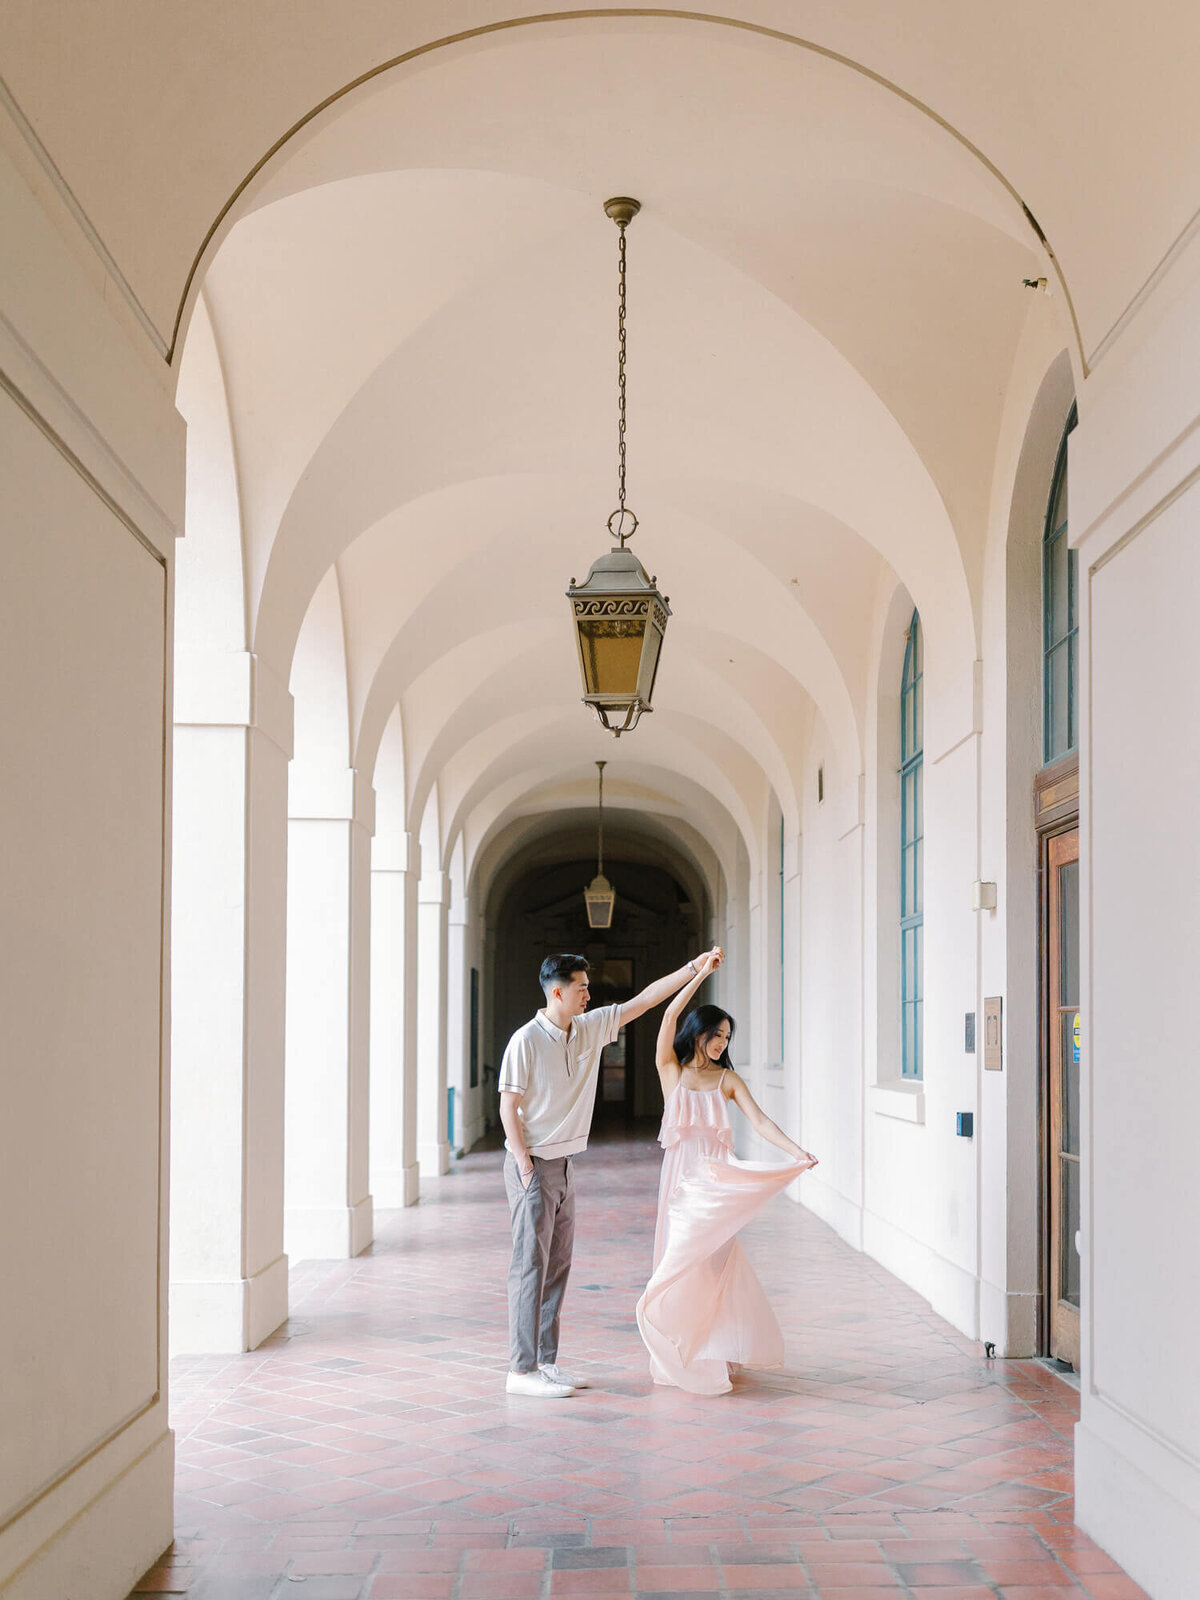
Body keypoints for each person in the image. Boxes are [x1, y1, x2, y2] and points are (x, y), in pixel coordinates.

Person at [499, 947, 723, 1398]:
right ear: (557, 992)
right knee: (530, 1267)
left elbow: (643, 1001)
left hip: (563, 1165)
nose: (588, 993)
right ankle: (520, 1371)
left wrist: (693, 968)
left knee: (557, 1266)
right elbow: (508, 1105)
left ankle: (545, 1362)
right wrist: (524, 1163)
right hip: (533, 1164)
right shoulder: (525, 1040)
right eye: (581, 987)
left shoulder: (589, 1028)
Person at [635, 950, 819, 1395]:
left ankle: (713, 1348)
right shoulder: (671, 1072)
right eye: (716, 1033)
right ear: (697, 1032)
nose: (721, 1042)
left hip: (716, 1182)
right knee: (678, 1260)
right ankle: (678, 1344)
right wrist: (699, 974)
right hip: (680, 1180)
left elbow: (760, 1121)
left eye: (727, 1036)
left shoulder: (728, 1081)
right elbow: (668, 1017)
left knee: (714, 1265)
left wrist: (797, 1151)